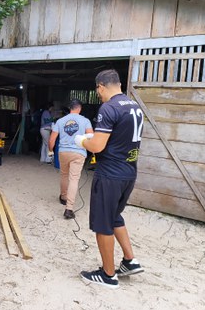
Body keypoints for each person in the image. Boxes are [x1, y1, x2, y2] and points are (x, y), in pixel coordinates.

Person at [74, 69, 144, 289]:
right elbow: (117, 137)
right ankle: (130, 261)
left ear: (101, 86)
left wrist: (81, 141)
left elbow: (97, 146)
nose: (99, 95)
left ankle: (108, 274)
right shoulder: (134, 106)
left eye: (98, 91)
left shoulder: (109, 107)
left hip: (110, 174)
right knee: (115, 217)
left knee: (103, 223)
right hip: (128, 172)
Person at [48, 99, 93, 219]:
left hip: (63, 151)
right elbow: (90, 137)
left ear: (70, 108)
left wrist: (51, 150)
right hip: (79, 152)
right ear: (80, 108)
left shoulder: (60, 121)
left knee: (64, 175)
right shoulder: (85, 121)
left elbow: (52, 140)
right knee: (74, 179)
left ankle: (63, 197)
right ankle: (69, 209)